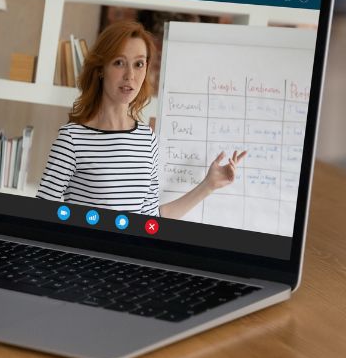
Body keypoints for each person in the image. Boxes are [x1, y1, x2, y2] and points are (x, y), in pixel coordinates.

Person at [36, 21, 245, 219]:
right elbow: (42, 213)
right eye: (119, 63)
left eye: (138, 64)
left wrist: (208, 186)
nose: (130, 75)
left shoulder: (147, 139)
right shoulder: (72, 138)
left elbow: (150, 219)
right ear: (100, 69)